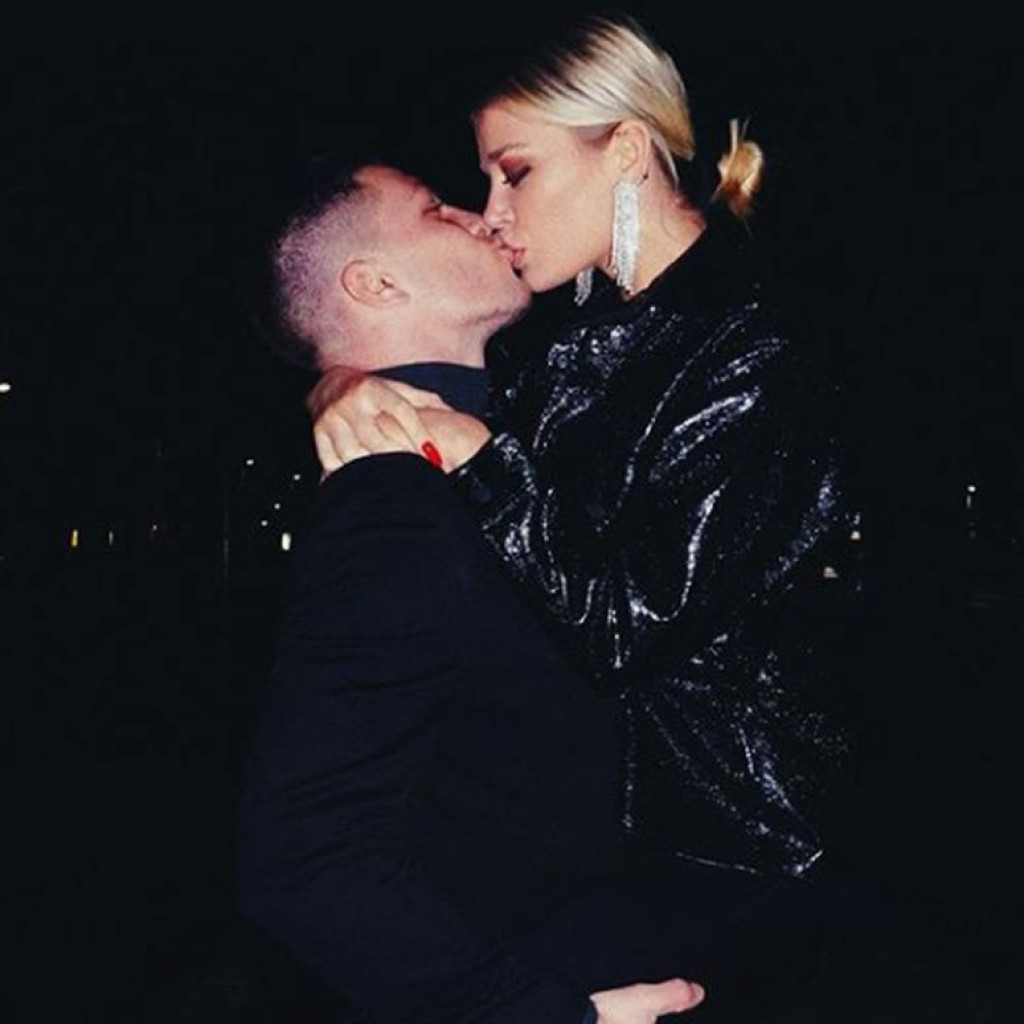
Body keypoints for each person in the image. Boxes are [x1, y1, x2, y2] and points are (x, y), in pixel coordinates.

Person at [237, 161, 791, 1024]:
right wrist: (538, 1012)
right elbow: (302, 855)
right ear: (374, 283)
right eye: (436, 210)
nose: (483, 216)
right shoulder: (394, 504)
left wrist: (336, 382)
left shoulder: (516, 442)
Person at [309, 13, 857, 881]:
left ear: (627, 150)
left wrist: (481, 458)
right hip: (585, 838)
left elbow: (628, 623)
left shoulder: (753, 347)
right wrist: (337, 380)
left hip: (725, 847)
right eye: (487, 180)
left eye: (517, 173)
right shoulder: (571, 338)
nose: (493, 213)